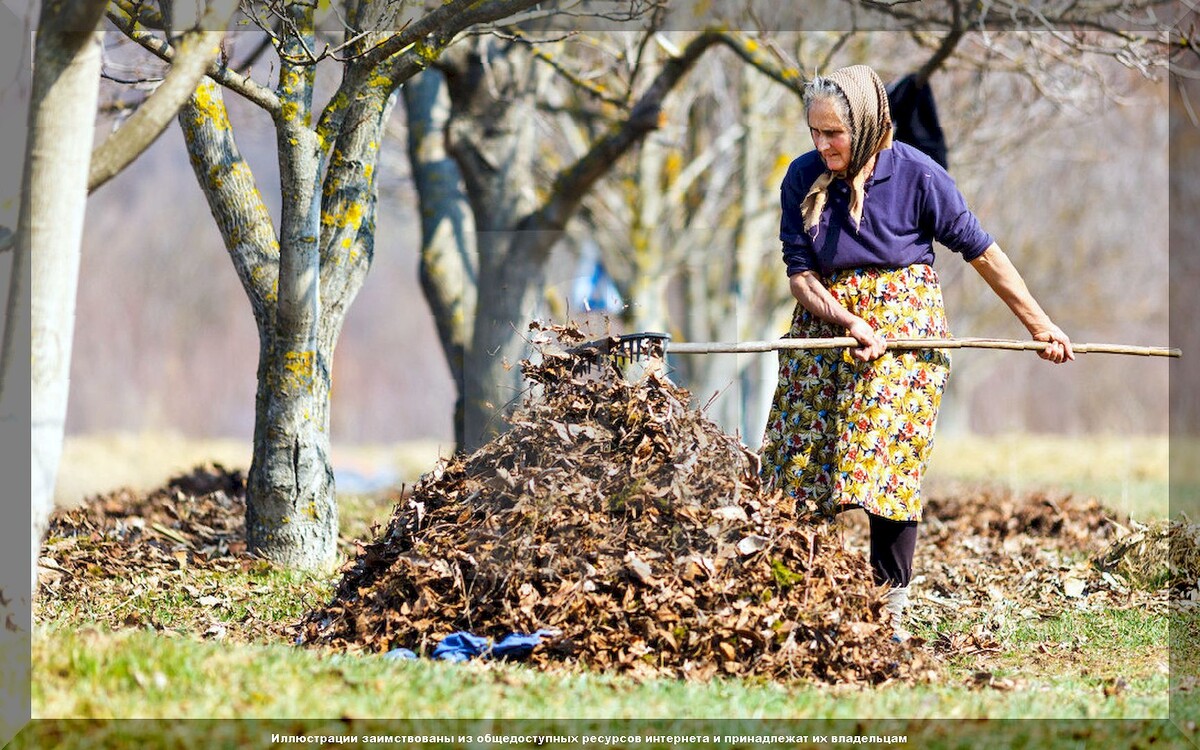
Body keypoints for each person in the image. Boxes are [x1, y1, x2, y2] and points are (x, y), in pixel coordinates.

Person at [759, 65, 1074, 642]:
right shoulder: (802, 177)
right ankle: (800, 601)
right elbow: (800, 276)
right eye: (814, 132)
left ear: (870, 124)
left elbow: (983, 254)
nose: (821, 145)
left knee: (886, 464)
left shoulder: (918, 175)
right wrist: (847, 319)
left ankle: (889, 614)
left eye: (834, 133)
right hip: (825, 321)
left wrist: (1040, 325)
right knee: (795, 465)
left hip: (904, 332)